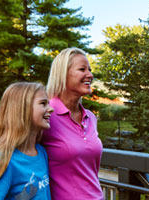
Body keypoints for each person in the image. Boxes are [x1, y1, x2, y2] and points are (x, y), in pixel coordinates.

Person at [42, 47, 103, 199]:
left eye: (89, 69)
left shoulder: (90, 117)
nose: (90, 75)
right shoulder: (46, 114)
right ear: (63, 74)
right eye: (82, 69)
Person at [0, 82, 54, 199]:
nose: (51, 109)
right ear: (22, 109)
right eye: (43, 103)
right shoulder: (3, 162)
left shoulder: (41, 152)